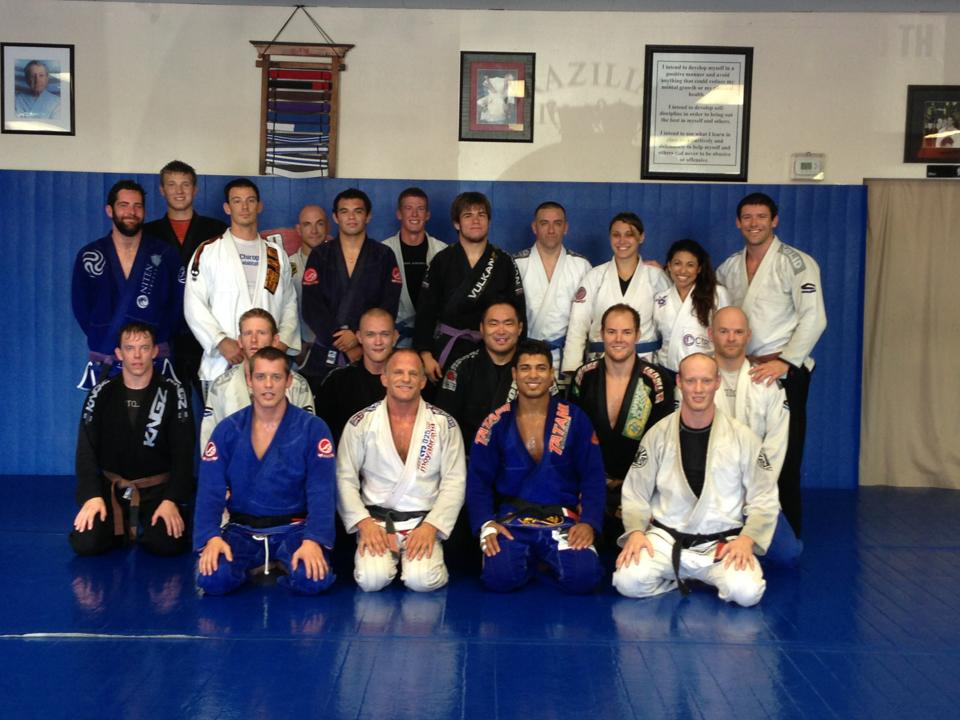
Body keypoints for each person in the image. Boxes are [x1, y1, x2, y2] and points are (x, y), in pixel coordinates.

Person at [612, 353, 779, 607]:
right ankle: (675, 579)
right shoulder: (657, 434)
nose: (698, 389)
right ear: (679, 382)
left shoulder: (743, 438)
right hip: (667, 540)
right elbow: (635, 492)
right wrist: (635, 531)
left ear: (717, 382)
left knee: (746, 593)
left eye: (706, 381)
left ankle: (692, 576)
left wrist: (747, 539)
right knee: (627, 581)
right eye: (691, 381)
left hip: (721, 543)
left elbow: (764, 498)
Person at [716, 192, 826, 537]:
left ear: (774, 220)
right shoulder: (730, 266)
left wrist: (786, 361)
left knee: (785, 456)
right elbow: (711, 301)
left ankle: (786, 533)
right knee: (739, 451)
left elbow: (814, 318)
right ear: (738, 222)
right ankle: (738, 529)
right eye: (747, 217)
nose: (754, 223)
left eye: (761, 217)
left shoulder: (797, 263)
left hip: (783, 369)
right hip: (744, 371)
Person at [194, 347, 337, 595]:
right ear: (249, 380)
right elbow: (210, 489)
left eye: (276, 377)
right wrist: (211, 538)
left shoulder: (313, 428)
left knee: (313, 579)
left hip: (294, 530)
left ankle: (275, 564)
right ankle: (262, 565)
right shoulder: (228, 429)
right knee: (212, 579)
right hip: (241, 531)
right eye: (260, 377)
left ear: (288, 381)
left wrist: (314, 539)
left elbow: (322, 491)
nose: (268, 385)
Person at [466, 340, 605, 594]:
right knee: (499, 577)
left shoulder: (574, 418)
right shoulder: (495, 422)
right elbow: (478, 480)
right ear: (514, 373)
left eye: (541, 368)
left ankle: (541, 559)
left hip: (562, 520)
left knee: (584, 577)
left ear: (551, 374)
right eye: (525, 368)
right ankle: (536, 559)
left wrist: (589, 522)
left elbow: (593, 476)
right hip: (512, 521)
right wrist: (485, 523)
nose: (533, 375)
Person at [337, 349, 466, 592]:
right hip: (376, 522)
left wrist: (432, 527)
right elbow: (344, 478)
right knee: (371, 580)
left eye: (413, 373)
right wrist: (363, 523)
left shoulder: (444, 424)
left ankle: (422, 560)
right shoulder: (361, 423)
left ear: (423, 381)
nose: (406, 379)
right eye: (398, 372)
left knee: (422, 581)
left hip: (422, 522)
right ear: (384, 378)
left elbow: (455, 482)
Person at [70, 322, 194, 557]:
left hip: (157, 490)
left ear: (155, 351)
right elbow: (85, 451)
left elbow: (184, 454)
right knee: (86, 543)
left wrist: (172, 499)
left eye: (144, 348)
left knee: (167, 543)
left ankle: (151, 522)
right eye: (129, 348)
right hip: (112, 490)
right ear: (119, 353)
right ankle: (119, 525)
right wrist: (91, 496)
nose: (137, 355)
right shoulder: (101, 393)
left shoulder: (173, 392)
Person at [569, 304, 675, 553]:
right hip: (592, 487)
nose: (618, 339)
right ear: (601, 334)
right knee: (585, 556)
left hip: (640, 488)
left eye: (626, 332)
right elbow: (573, 438)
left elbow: (664, 445)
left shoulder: (656, 380)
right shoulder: (584, 376)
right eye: (612, 332)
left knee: (637, 558)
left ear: (637, 335)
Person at [184, 178, 300, 389]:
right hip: (223, 363)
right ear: (227, 208)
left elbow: (289, 302)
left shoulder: (275, 254)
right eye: (237, 201)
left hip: (268, 365)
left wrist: (282, 341)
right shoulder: (209, 251)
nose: (244, 207)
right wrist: (220, 341)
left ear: (259, 205)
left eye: (250, 200)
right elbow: (194, 303)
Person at [710, 306, 803, 564]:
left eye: (738, 332)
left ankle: (736, 537)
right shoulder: (696, 378)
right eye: (724, 331)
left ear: (748, 335)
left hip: (752, 490)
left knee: (788, 554)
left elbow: (775, 447)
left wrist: (752, 491)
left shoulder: (767, 383)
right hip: (707, 491)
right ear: (710, 334)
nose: (731, 338)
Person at [72, 180, 183, 390]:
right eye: (124, 205)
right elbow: (81, 307)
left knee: (157, 411)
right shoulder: (90, 255)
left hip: (154, 356)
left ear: (144, 211)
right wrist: (103, 334)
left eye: (137, 206)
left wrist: (157, 337)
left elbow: (178, 304)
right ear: (109, 210)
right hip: (106, 354)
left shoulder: (164, 254)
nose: (131, 212)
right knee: (106, 411)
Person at [414, 191, 526, 381]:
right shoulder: (441, 260)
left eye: (481, 214)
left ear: (489, 221)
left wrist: (518, 356)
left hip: (494, 351)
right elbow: (425, 312)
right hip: (448, 351)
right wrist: (425, 355)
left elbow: (518, 312)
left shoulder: (504, 261)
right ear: (456, 223)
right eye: (468, 215)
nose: (476, 220)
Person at [301, 188, 402, 393]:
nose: (351, 217)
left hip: (369, 350)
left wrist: (358, 337)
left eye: (358, 211)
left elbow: (389, 304)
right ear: (335, 217)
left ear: (368, 216)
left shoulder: (383, 255)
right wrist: (342, 341)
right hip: (328, 349)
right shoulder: (320, 255)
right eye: (344, 211)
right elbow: (311, 306)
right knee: (324, 404)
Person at [143, 160, 228, 397]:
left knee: (216, 402)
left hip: (208, 331)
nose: (179, 191)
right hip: (164, 333)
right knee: (169, 404)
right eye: (172, 184)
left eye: (185, 184)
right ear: (162, 190)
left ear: (195, 189)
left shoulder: (217, 230)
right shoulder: (148, 234)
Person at [562, 212, 670, 375]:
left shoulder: (656, 277)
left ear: (641, 237)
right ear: (610, 237)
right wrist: (572, 367)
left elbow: (669, 327)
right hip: (600, 363)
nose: (622, 241)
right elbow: (578, 324)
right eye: (616, 235)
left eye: (629, 235)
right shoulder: (594, 276)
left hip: (644, 364)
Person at [200, 308, 315, 449]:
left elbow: (308, 439)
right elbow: (209, 443)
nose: (254, 340)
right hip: (235, 462)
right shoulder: (220, 386)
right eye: (248, 333)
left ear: (275, 340)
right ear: (240, 341)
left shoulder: (297, 385)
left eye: (261, 333)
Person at [434, 300, 524, 450]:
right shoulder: (461, 368)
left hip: (519, 457)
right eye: (493, 324)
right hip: (470, 456)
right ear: (482, 328)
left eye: (508, 323)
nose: (501, 331)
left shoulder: (532, 369)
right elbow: (443, 423)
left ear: (519, 328)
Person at [513, 201, 591, 370]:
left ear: (566, 227)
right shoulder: (517, 264)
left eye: (557, 223)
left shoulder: (581, 266)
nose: (551, 230)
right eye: (544, 223)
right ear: (534, 227)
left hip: (567, 356)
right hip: (526, 356)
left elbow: (587, 319)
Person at [316, 307, 397, 445]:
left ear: (395, 337)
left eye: (385, 334)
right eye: (370, 334)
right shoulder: (336, 382)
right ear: (359, 337)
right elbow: (323, 436)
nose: (378, 342)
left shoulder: (408, 382)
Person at [652, 239, 731, 375]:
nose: (683, 270)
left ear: (699, 268)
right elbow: (656, 338)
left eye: (690, 265)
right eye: (677, 263)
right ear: (669, 266)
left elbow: (728, 336)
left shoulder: (717, 294)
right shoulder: (660, 299)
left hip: (703, 373)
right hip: (667, 371)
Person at [382, 188, 447, 347]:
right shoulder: (383, 251)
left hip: (433, 338)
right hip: (396, 338)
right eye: (408, 208)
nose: (415, 214)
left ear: (428, 215)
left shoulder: (442, 251)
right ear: (399, 214)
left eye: (420, 209)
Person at [288, 204, 329, 370]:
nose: (314, 230)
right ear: (298, 230)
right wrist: (295, 345)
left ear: (327, 227)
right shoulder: (286, 265)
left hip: (335, 348)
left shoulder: (342, 263)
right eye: (307, 224)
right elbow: (280, 309)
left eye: (319, 223)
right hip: (299, 351)